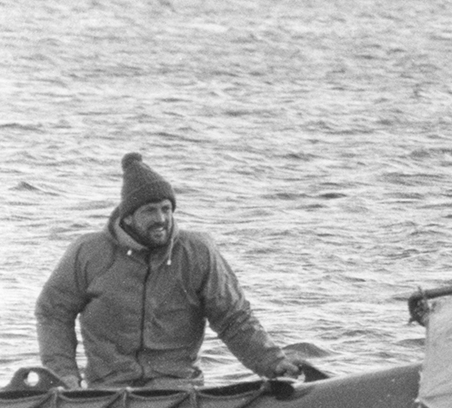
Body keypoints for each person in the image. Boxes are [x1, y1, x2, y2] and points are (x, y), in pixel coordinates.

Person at [35, 152, 302, 389]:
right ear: (128, 217)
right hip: (108, 392)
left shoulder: (197, 252)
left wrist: (273, 363)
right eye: (150, 211)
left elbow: (234, 319)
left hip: (179, 391)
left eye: (166, 209)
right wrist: (64, 376)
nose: (161, 219)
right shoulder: (88, 253)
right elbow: (53, 313)